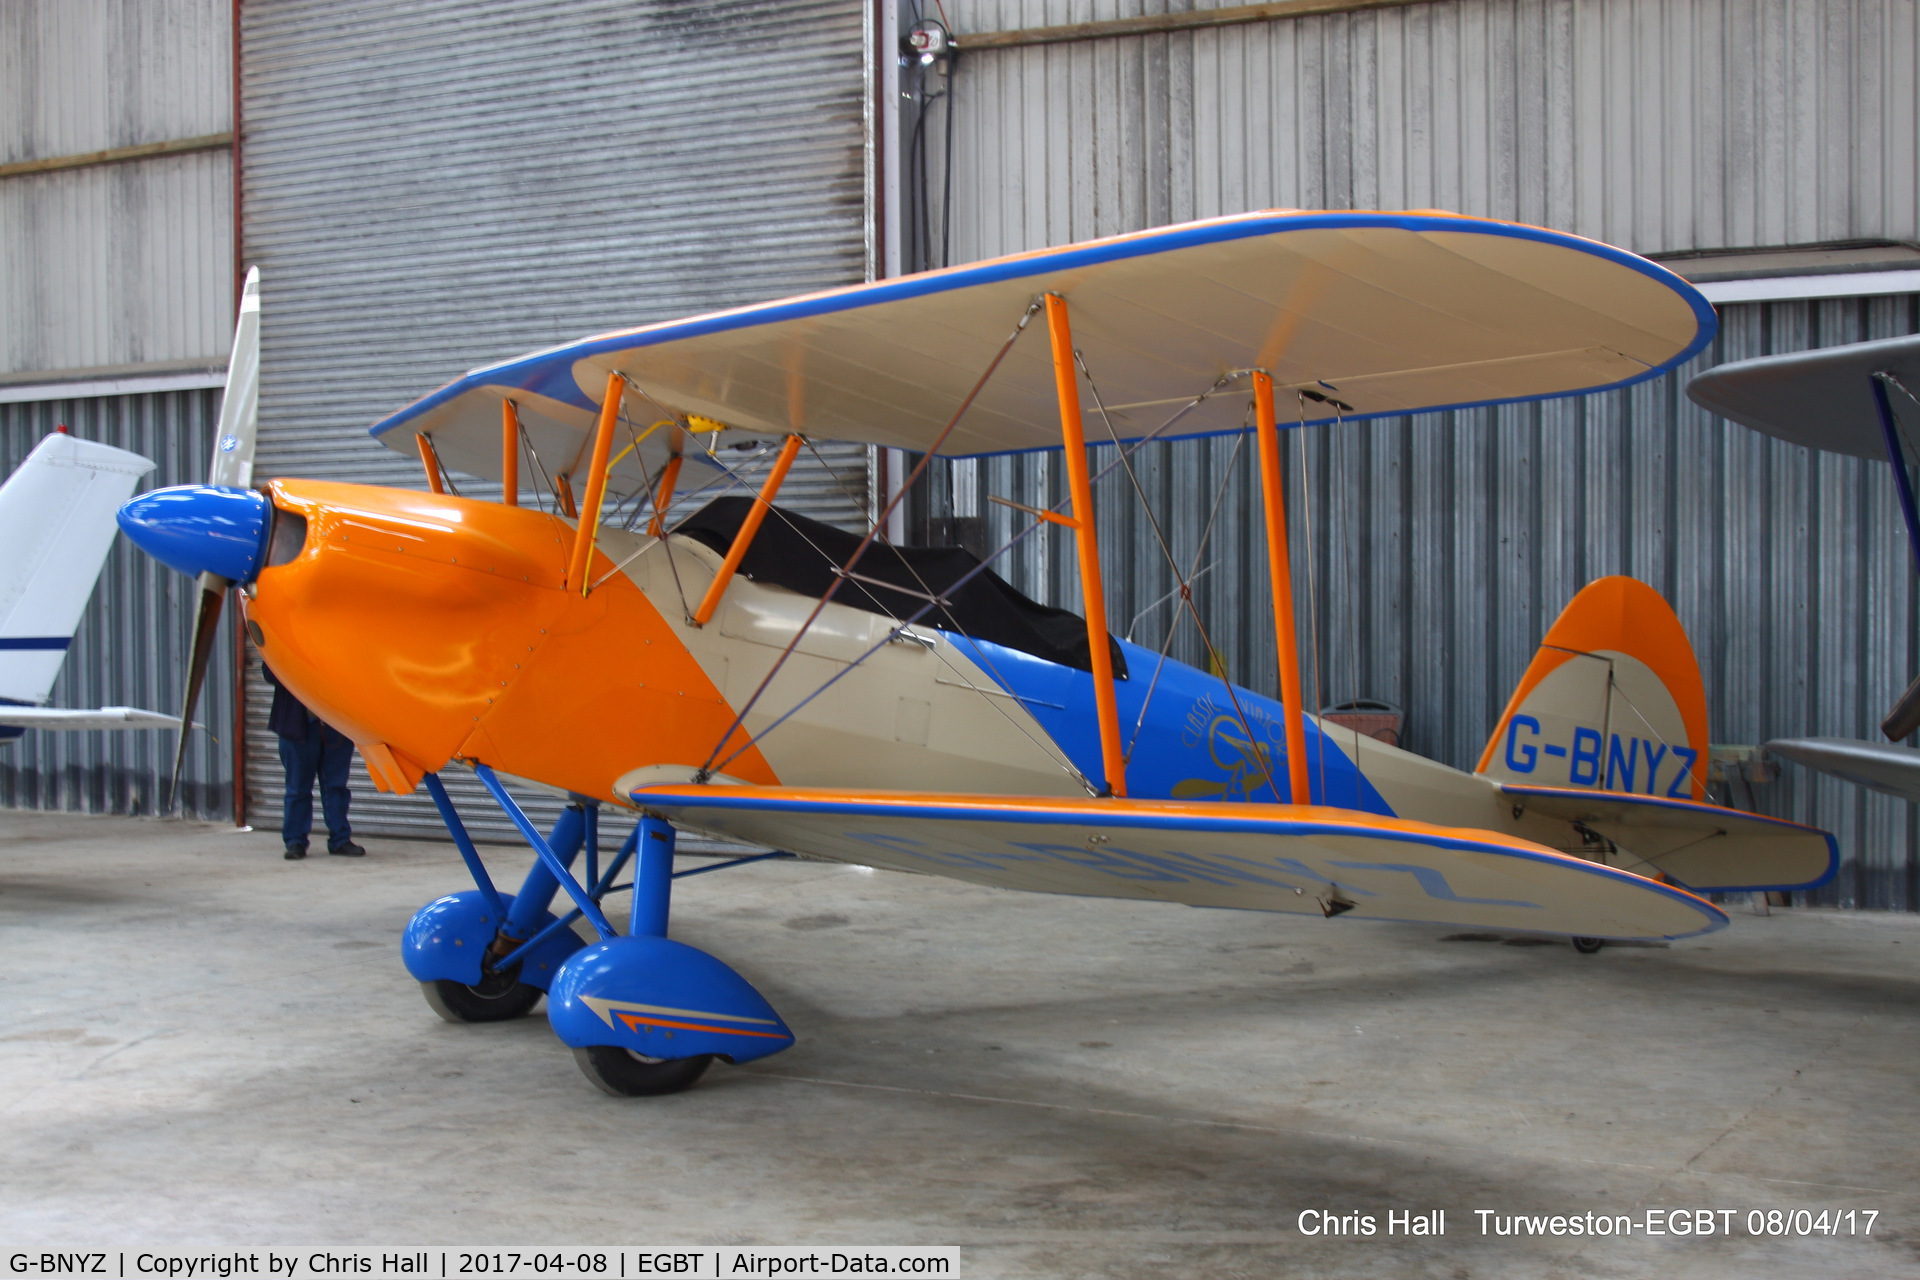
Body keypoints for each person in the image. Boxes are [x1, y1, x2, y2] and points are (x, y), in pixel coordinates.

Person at [263, 663, 364, 860]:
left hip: (336, 725)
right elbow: (270, 672)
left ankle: (340, 839)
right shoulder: (284, 639)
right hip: (297, 727)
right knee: (297, 788)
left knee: (336, 787)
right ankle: (295, 841)